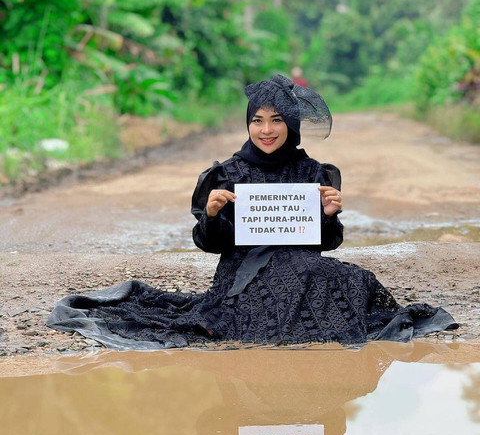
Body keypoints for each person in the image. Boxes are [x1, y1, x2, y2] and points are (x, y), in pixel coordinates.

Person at [47, 74, 458, 348]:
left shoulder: (314, 173)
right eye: (258, 120)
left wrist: (329, 216)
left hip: (305, 268)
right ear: (247, 124)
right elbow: (211, 245)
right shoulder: (227, 174)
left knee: (354, 279)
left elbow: (325, 244)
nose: (266, 130)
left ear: (291, 125)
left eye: (277, 120)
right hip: (243, 275)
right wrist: (211, 216)